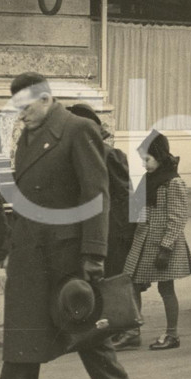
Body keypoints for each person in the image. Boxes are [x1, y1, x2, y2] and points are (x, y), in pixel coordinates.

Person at [0, 73, 129, 379]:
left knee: (80, 323)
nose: (20, 116)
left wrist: (94, 253)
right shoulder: (29, 135)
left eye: (24, 108)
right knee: (22, 324)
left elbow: (96, 195)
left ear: (44, 100)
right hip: (30, 247)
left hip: (65, 249)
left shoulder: (77, 129)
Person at [116, 132, 191, 351]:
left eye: (147, 159)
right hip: (143, 240)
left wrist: (166, 247)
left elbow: (177, 217)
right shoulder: (149, 179)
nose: (144, 164)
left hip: (162, 244)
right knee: (131, 283)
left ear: (159, 156)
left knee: (166, 289)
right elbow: (137, 209)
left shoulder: (173, 182)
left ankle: (172, 335)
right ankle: (133, 332)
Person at [67, 103, 135, 276]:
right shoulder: (69, 156)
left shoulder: (110, 155)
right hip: (79, 233)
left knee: (111, 287)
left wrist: (125, 236)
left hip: (109, 233)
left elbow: (125, 198)